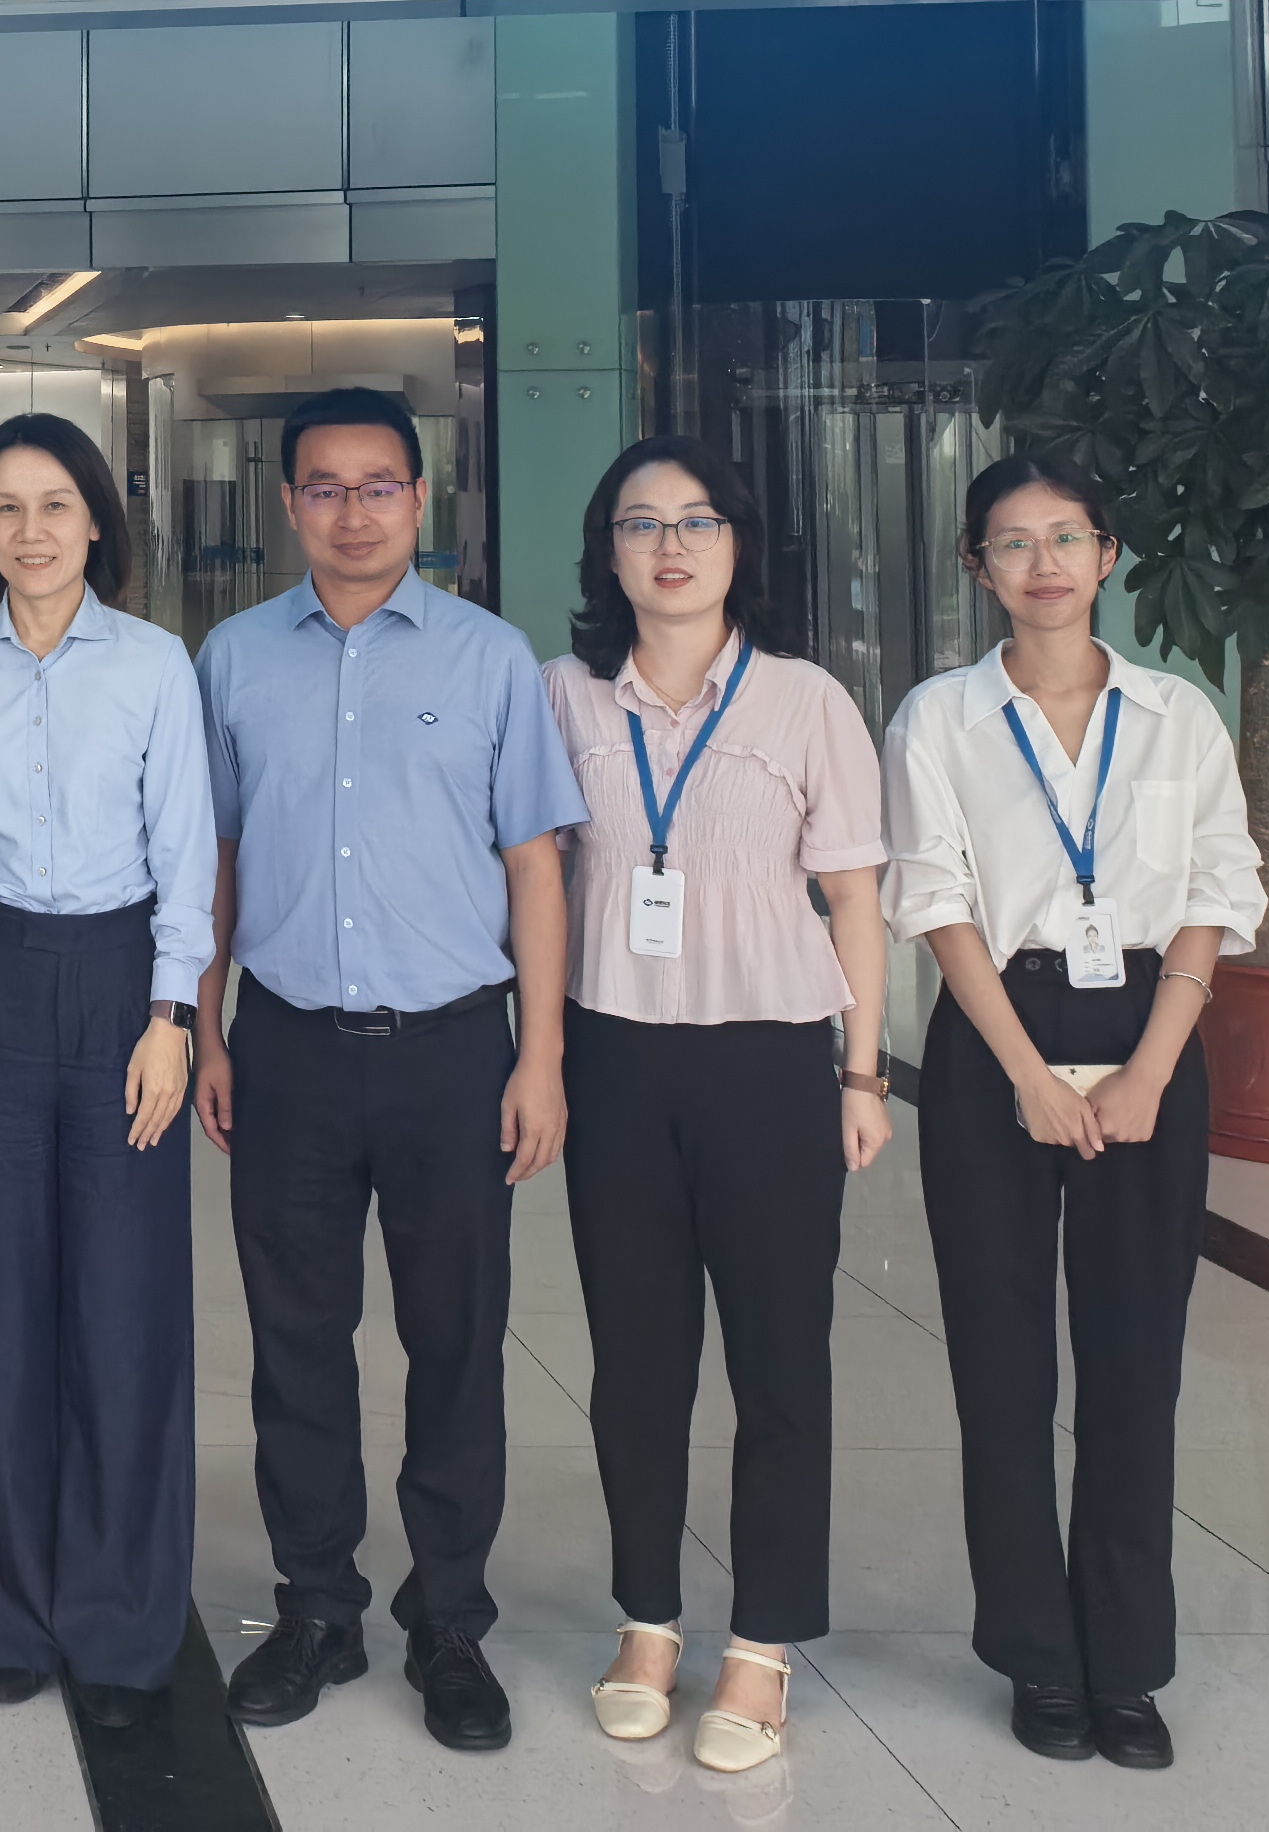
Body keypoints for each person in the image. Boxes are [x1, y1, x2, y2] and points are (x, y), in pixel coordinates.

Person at [193, 387, 582, 1753]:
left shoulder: (491, 659)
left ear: (421, 501)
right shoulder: (234, 659)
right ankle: (316, 1607)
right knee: (295, 1343)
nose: (351, 513)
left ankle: (450, 1621)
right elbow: (212, 863)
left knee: (455, 1345)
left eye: (377, 487)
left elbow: (536, 868)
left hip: (454, 1052)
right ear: (287, 502)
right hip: (287, 1047)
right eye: (324, 487)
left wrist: (541, 1055)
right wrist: (204, 1027)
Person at [887, 453, 1263, 1775]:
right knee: (999, 1367)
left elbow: (1216, 886)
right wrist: (1027, 1076)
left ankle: (1127, 1661)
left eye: (1066, 537)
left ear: (1108, 555)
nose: (1041, 563)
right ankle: (1036, 1654)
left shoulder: (1177, 714)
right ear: (977, 567)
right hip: (998, 1032)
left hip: (1148, 1026)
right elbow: (936, 899)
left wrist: (1153, 1067)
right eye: (1012, 541)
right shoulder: (939, 718)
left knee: (1134, 1366)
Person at [542, 436, 893, 1775]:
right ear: (608, 551)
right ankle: (647, 1622)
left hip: (767, 1060)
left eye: (697, 522)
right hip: (614, 1060)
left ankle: (763, 1641)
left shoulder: (806, 702)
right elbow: (534, 881)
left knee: (779, 1362)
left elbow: (854, 898)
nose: (670, 546)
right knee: (635, 1365)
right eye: (641, 523)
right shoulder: (565, 696)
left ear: (741, 543)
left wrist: (861, 1071)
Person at [0, 410, 216, 1728]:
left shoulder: (152, 664)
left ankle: (122, 1615)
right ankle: (11, 1612)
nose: (29, 531)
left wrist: (172, 1014)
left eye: (53, 505)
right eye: (5, 508)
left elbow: (187, 849)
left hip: (119, 985)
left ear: (96, 520)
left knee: (125, 1310)